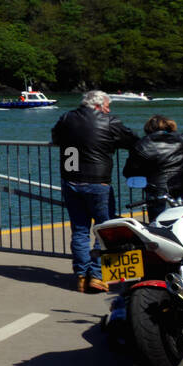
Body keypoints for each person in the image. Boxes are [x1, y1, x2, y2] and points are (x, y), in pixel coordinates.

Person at [50, 90, 137, 292]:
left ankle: (81, 275)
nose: (109, 110)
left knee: (79, 230)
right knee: (104, 229)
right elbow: (132, 140)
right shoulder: (109, 121)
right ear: (97, 106)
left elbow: (56, 137)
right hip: (98, 182)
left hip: (71, 180)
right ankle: (97, 275)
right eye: (107, 106)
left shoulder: (67, 118)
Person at [123, 115, 183, 220]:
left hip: (155, 188)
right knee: (180, 218)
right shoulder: (180, 139)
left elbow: (128, 171)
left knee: (156, 221)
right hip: (179, 184)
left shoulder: (141, 144)